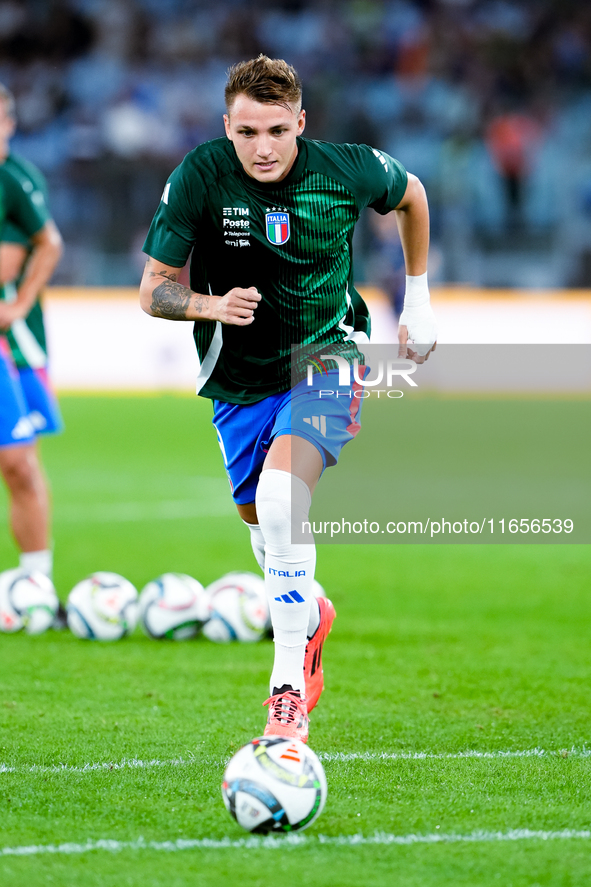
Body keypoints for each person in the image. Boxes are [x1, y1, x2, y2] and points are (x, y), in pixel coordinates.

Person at [140, 56, 436, 742]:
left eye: (276, 129)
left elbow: (413, 194)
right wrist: (211, 304)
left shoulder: (346, 169)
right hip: (237, 381)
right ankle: (311, 611)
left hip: (324, 360)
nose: (262, 147)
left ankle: (285, 694)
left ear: (300, 122)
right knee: (258, 520)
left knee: (280, 502)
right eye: (246, 132)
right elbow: (153, 287)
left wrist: (417, 300)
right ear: (226, 127)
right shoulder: (199, 175)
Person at [0, 84, 63, 582]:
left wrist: (19, 305)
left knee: (18, 461)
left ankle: (35, 579)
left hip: (16, 343)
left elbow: (34, 250)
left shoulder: (16, 180)